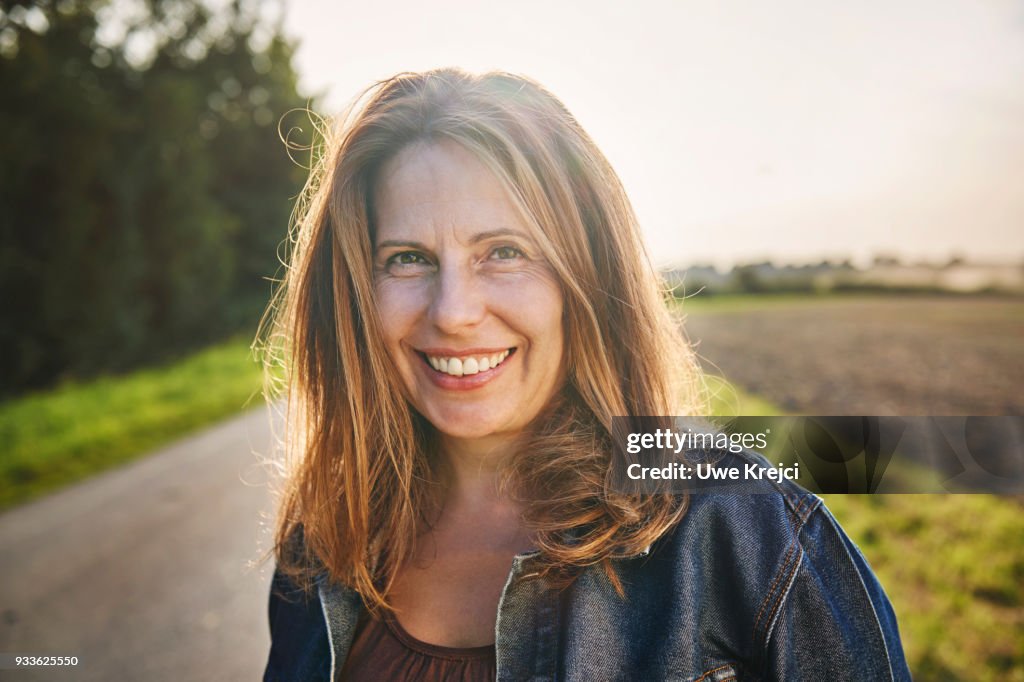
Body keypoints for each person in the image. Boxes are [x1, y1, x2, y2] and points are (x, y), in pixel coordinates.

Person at [261, 68, 910, 681]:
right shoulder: (320, 545)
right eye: (406, 258)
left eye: (505, 252)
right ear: (352, 294)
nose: (454, 312)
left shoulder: (753, 533)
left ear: (590, 280)